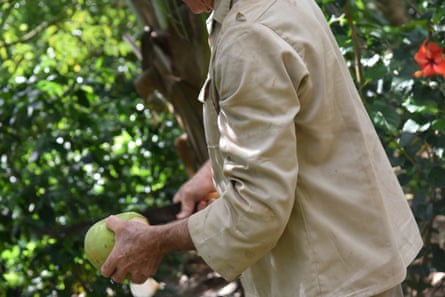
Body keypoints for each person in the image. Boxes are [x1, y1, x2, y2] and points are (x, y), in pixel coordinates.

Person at [101, 0, 423, 296]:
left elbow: (258, 210)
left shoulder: (248, 39)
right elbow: (294, 119)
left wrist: (156, 242)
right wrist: (214, 171)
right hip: (356, 259)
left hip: (329, 280)